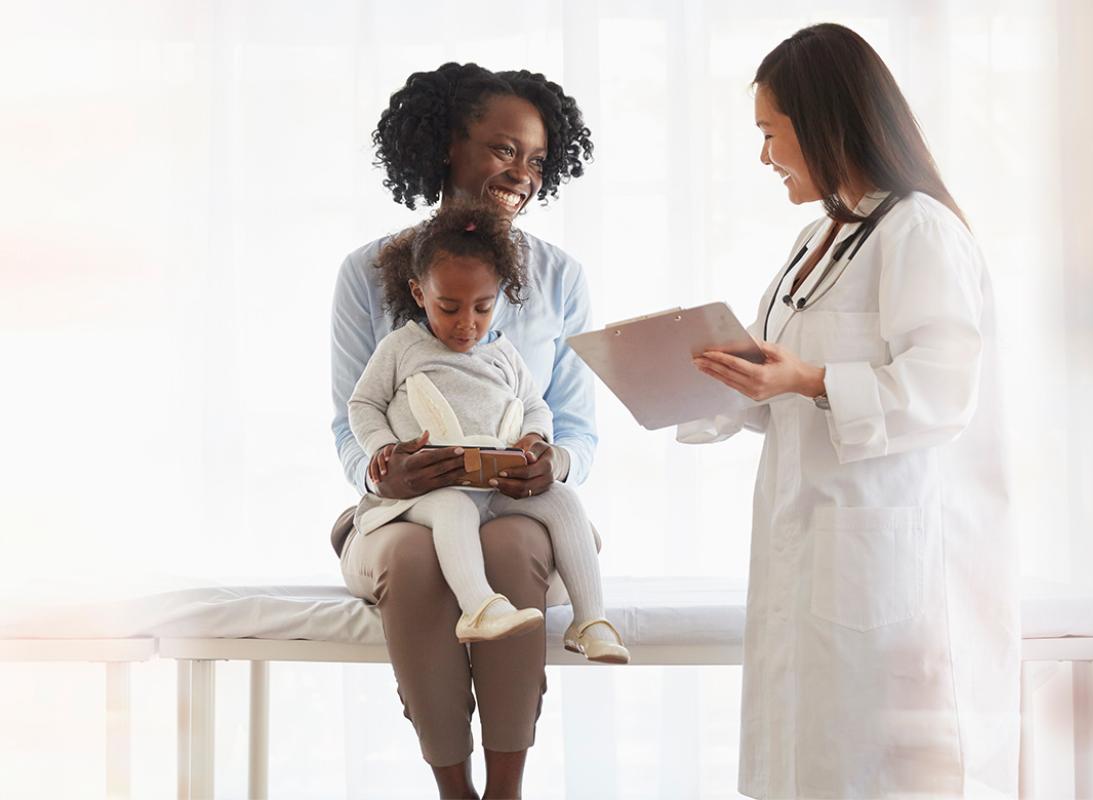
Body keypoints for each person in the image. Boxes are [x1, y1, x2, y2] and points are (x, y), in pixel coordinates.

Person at [680, 23, 1020, 799]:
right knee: (808, 761)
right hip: (808, 546)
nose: (765, 156)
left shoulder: (920, 230)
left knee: (876, 772)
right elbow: (778, 375)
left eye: (771, 132)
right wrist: (707, 379)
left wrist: (811, 381)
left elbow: (942, 390)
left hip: (882, 559)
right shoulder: (819, 238)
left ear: (824, 123)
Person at [329, 63, 599, 800]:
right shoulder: (366, 273)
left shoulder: (560, 278)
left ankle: (506, 790)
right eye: (505, 150)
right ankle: (454, 790)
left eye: (537, 159)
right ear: (449, 144)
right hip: (404, 513)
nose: (523, 174)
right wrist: (379, 468)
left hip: (516, 510)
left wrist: (552, 463)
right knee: (414, 555)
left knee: (509, 547)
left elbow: (577, 427)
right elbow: (349, 417)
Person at [347, 201, 628, 661]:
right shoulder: (401, 347)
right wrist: (383, 449)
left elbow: (535, 405)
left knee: (564, 500)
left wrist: (535, 440)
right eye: (449, 307)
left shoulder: (503, 353)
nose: (467, 323)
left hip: (493, 485)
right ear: (419, 293)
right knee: (454, 506)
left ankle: (591, 621)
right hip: (427, 492)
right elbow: (362, 405)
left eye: (483, 307)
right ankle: (479, 607)